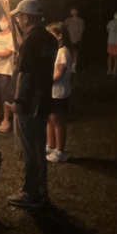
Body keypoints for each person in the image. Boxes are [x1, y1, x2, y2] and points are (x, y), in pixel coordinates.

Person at [7, 0, 57, 209]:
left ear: (26, 17)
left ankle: (30, 193)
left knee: (28, 148)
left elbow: (25, 74)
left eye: (19, 16)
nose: (17, 19)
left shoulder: (30, 40)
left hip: (30, 100)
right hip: (45, 97)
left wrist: (18, 101)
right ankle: (41, 190)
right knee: (38, 147)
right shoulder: (49, 38)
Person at [45, 22, 73, 163]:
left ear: (60, 35)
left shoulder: (63, 51)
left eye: (51, 34)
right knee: (49, 119)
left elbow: (58, 73)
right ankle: (51, 145)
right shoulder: (57, 50)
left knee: (57, 121)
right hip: (52, 92)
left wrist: (44, 81)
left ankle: (60, 151)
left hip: (59, 93)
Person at [65, 7, 84, 73]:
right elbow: (65, 29)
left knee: (75, 53)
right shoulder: (67, 20)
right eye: (72, 10)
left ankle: (73, 67)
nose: (73, 12)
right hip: (68, 39)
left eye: (74, 10)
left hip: (76, 39)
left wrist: (78, 38)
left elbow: (81, 30)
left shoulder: (80, 20)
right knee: (67, 53)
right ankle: (68, 66)